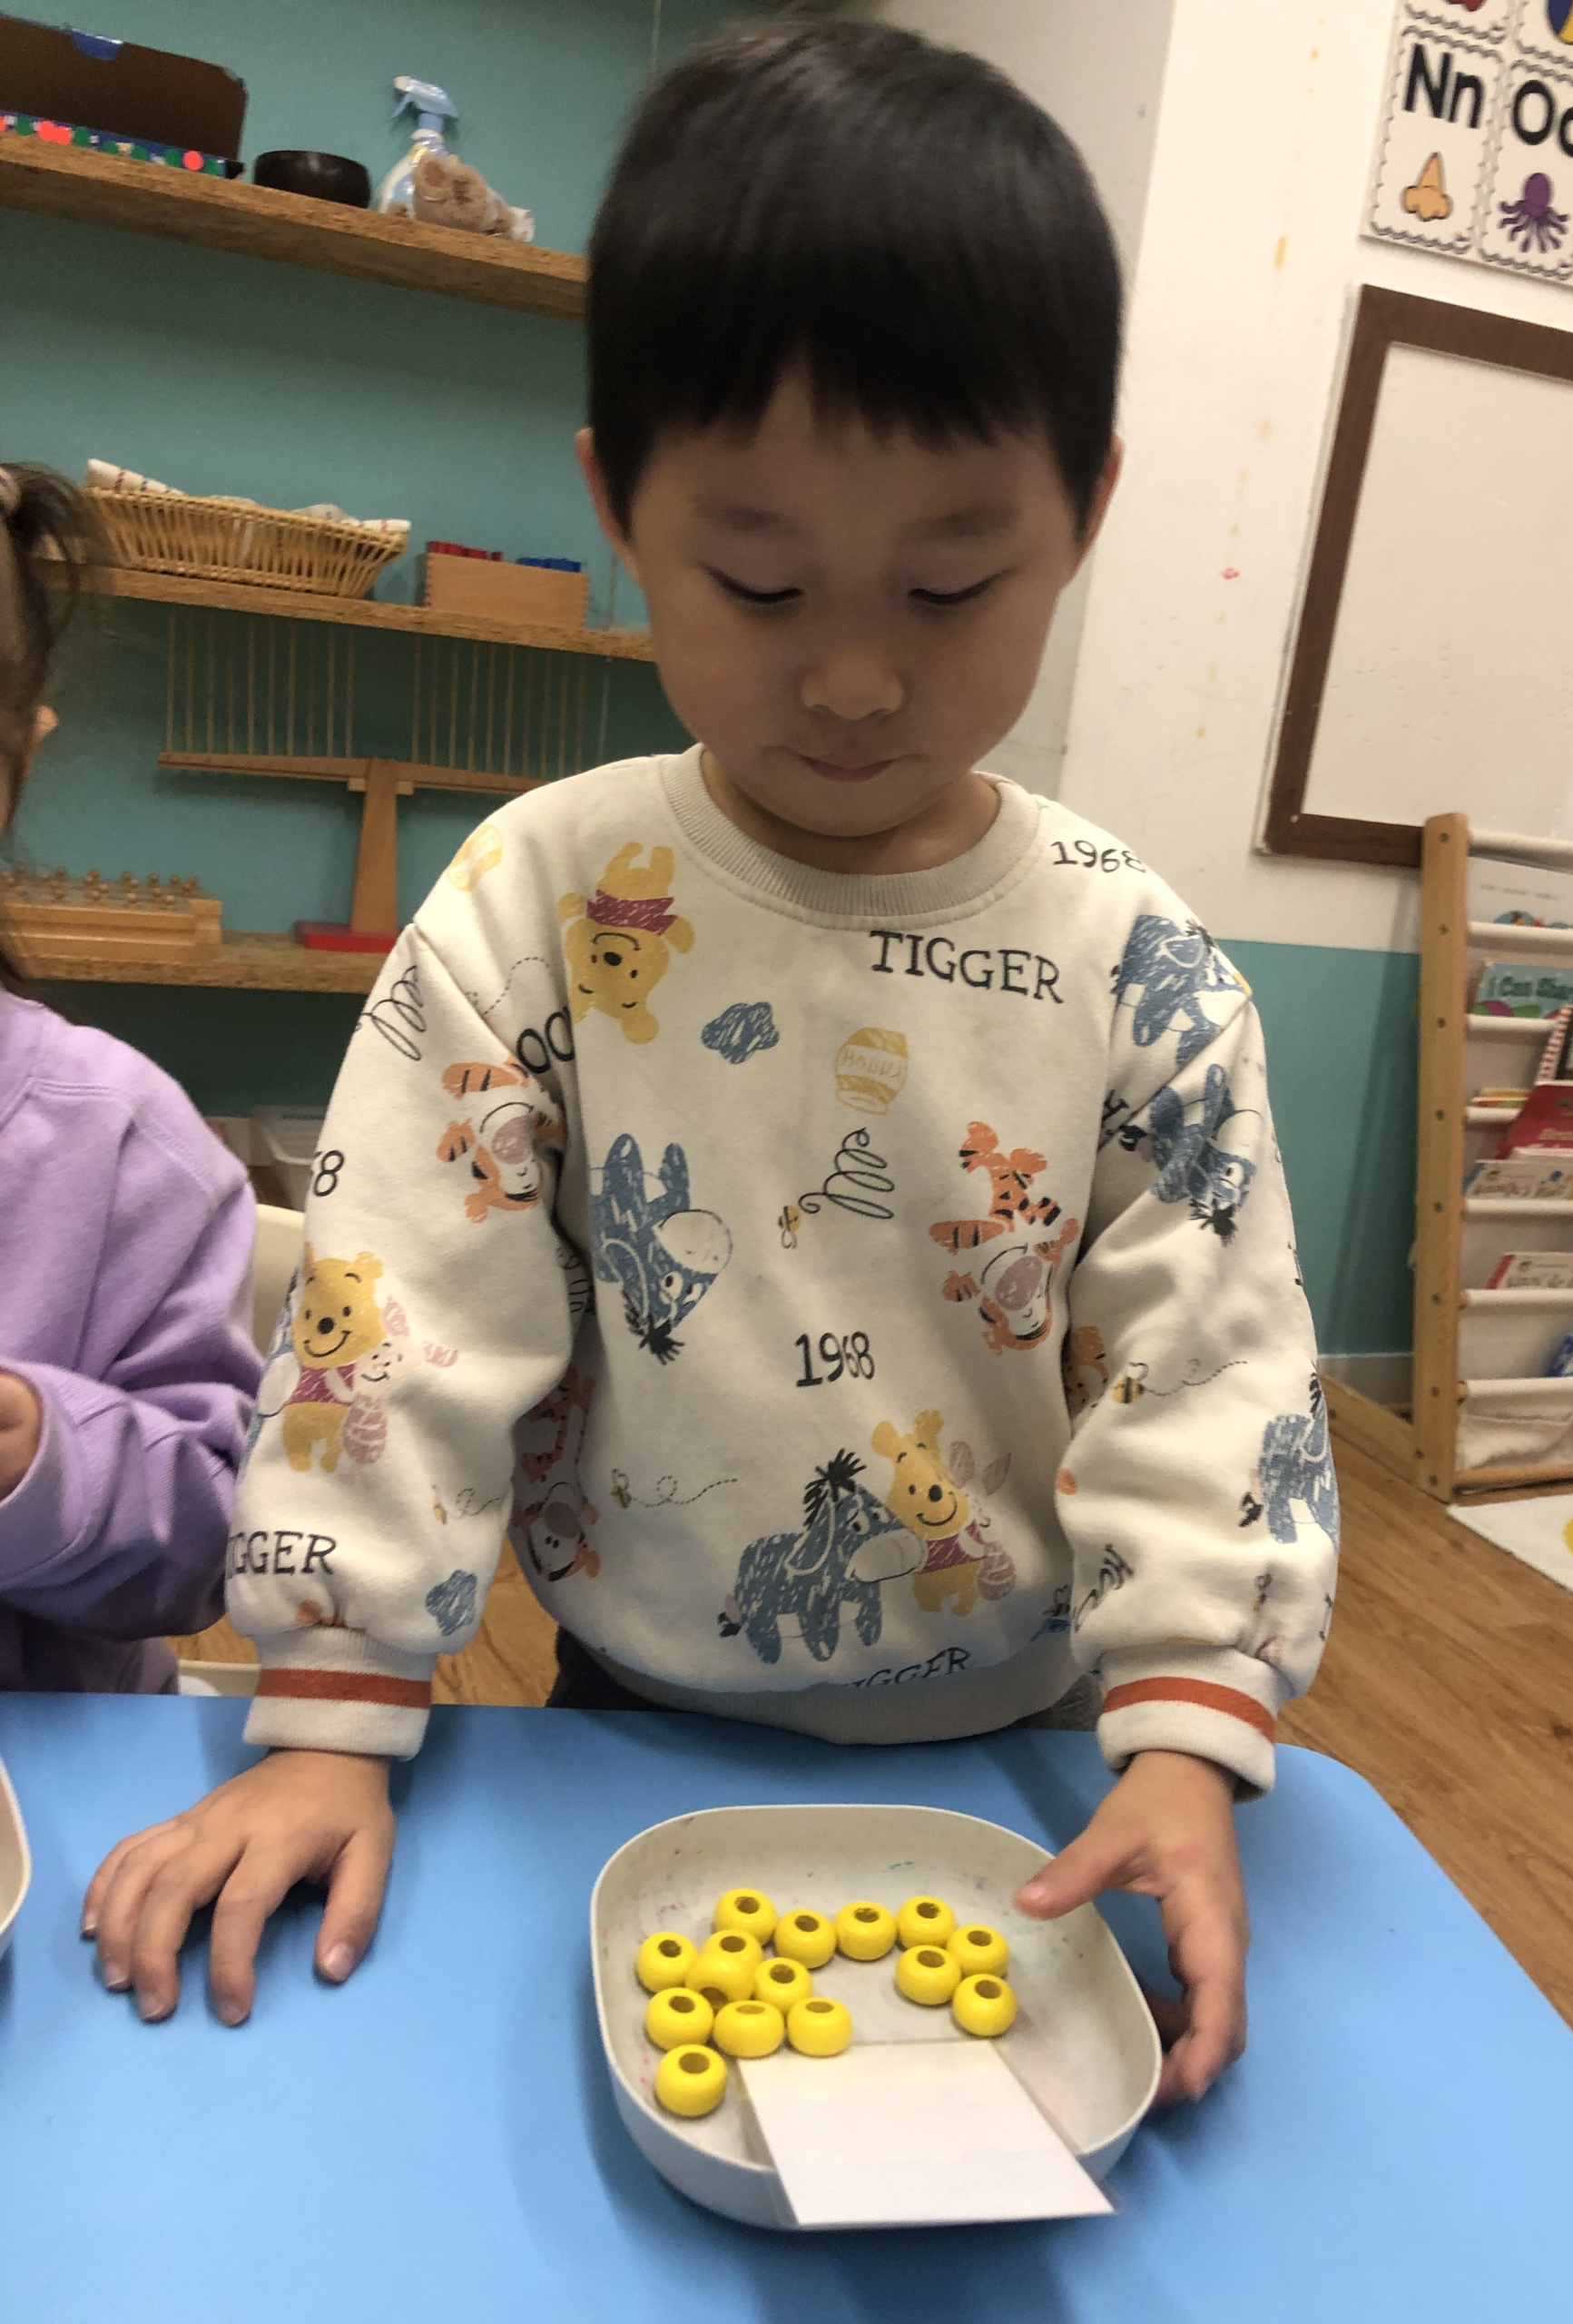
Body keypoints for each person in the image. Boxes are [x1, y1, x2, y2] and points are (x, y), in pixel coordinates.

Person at [85, 25, 1338, 2101]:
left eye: (952, 581)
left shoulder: (1138, 959)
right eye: (757, 579)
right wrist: (327, 1722)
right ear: (619, 504)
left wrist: (1190, 1746)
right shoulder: (537, 902)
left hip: (1037, 1746)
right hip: (623, 1712)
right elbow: (399, 1315)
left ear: (1086, 513)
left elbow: (1212, 1370)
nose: (851, 673)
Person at [0, 461, 261, 1694]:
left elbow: (214, 1532)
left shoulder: (117, 1141)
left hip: (55, 1777)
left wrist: (40, 1457)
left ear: (25, 746)